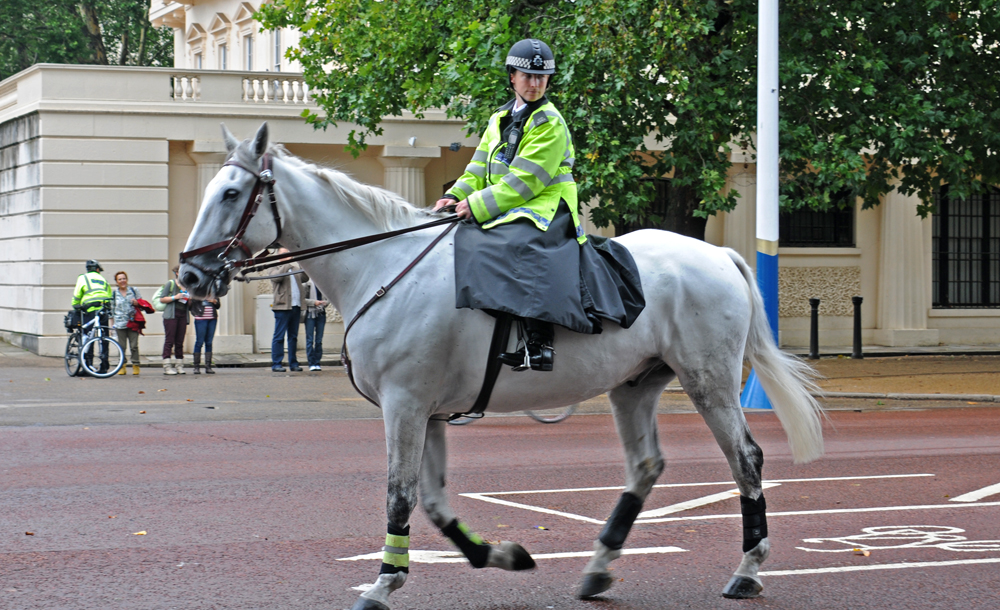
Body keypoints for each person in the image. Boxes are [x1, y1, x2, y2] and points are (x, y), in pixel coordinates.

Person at [433, 38, 645, 372]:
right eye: (527, 76)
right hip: (509, 203)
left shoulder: (550, 122)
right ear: (512, 77)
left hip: (547, 207)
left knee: (514, 244)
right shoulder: (499, 117)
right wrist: (456, 195)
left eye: (541, 77)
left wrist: (477, 205)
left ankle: (539, 341)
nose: (534, 83)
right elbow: (477, 167)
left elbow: (526, 180)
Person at [270, 248, 310, 372]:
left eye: (289, 253)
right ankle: (277, 363)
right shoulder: (274, 268)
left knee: (293, 337)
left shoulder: (294, 268)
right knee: (279, 336)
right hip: (282, 306)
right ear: (279, 256)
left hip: (296, 306)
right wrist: (287, 263)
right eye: (285, 254)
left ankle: (293, 363)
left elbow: (306, 277)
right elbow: (277, 278)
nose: (288, 256)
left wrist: (301, 262)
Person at [71, 260, 113, 374]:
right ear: (98, 269)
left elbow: (77, 293)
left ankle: (87, 366)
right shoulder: (103, 280)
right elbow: (109, 295)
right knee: (103, 337)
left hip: (89, 310)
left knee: (88, 337)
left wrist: (76, 305)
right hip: (102, 310)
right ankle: (104, 366)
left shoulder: (83, 278)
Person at [157, 266, 190, 375]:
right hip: (171, 315)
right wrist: (175, 297)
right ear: (176, 273)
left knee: (180, 341)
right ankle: (167, 366)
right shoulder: (170, 284)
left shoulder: (188, 286)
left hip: (183, 315)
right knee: (169, 340)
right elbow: (162, 298)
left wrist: (189, 299)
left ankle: (179, 365)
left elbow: (189, 304)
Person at [110, 271, 142, 376]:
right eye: (120, 279)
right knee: (121, 346)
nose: (122, 281)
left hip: (132, 322)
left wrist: (137, 303)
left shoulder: (134, 290)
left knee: (134, 346)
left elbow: (142, 304)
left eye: (124, 278)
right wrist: (112, 325)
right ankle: (122, 366)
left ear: (127, 280)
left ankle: (136, 365)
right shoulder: (114, 293)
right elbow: (112, 310)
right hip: (119, 323)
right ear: (116, 282)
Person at [189, 296, 220, 374]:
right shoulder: (197, 292)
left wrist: (214, 301)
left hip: (212, 319)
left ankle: (208, 366)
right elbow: (190, 305)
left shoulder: (213, 292)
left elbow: (218, 306)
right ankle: (196, 367)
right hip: (200, 319)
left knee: (209, 342)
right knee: (199, 342)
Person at [303, 280, 329, 371]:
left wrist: (325, 303)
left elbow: (328, 298)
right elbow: (302, 299)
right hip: (310, 314)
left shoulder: (323, 284)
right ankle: (311, 363)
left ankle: (317, 362)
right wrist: (314, 302)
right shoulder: (307, 285)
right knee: (310, 340)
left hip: (321, 313)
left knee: (319, 340)